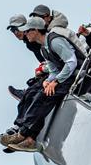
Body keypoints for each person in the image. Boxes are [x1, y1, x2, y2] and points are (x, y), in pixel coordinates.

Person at [7, 16, 82, 152]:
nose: (25, 34)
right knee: (35, 93)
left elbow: (71, 62)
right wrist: (48, 81)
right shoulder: (43, 48)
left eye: (27, 31)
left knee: (42, 98)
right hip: (65, 76)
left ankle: (23, 134)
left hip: (77, 76)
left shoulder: (55, 41)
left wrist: (56, 81)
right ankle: (29, 139)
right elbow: (53, 70)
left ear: (36, 30)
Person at [0, 15, 50, 150]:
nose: (15, 33)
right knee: (32, 91)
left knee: (34, 94)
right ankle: (19, 129)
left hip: (56, 73)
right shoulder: (29, 42)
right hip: (51, 70)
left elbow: (55, 59)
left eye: (17, 29)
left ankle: (21, 130)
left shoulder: (34, 40)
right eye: (12, 31)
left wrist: (44, 69)